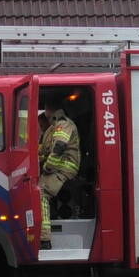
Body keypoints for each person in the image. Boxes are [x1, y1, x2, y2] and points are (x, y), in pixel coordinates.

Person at [38, 93, 80, 250]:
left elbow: (59, 147)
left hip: (65, 166)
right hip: (60, 165)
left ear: (49, 109)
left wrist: (47, 167)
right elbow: (46, 150)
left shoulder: (63, 124)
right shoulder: (53, 128)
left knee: (41, 193)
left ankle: (44, 239)